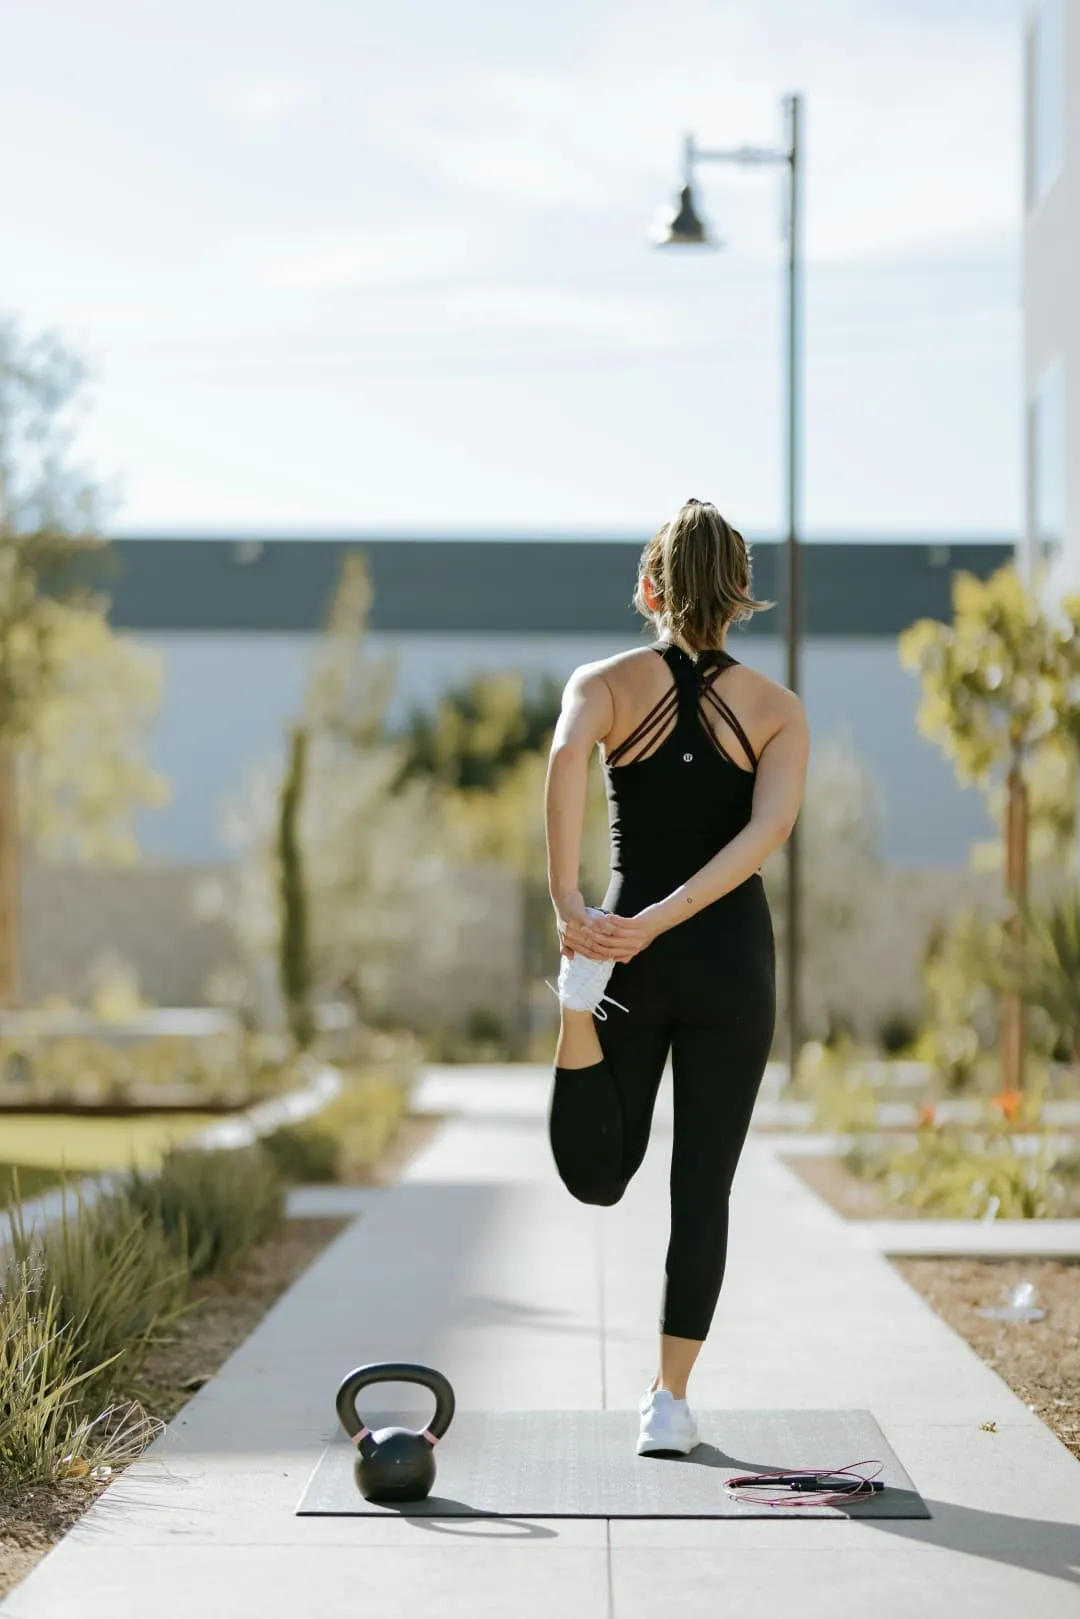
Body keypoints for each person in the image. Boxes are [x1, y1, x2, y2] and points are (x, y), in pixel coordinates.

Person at [543, 497, 808, 1458]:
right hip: (731, 962)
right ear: (740, 598)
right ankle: (671, 1400)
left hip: (619, 953)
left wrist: (574, 905)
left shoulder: (604, 682)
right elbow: (765, 833)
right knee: (704, 1189)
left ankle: (570, 1011)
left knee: (600, 1174)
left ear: (649, 587)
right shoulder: (778, 711)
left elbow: (568, 753)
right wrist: (658, 924)